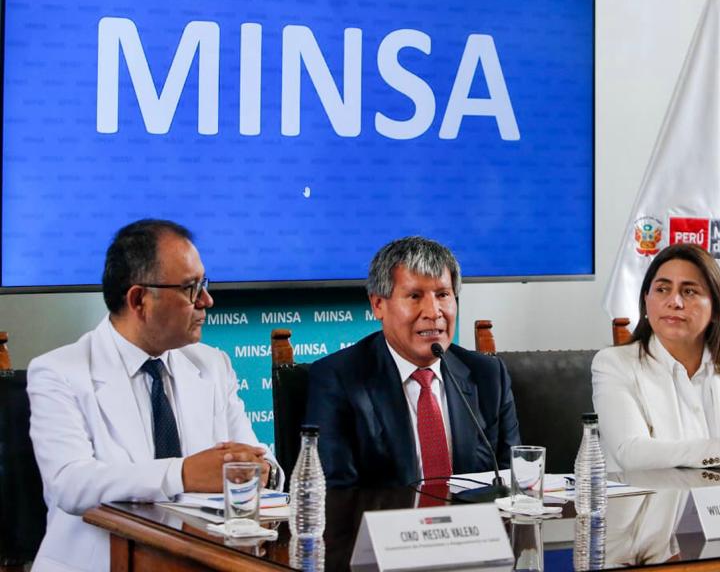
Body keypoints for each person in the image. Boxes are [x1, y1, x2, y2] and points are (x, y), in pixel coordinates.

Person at [27, 219, 280, 572]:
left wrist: (261, 470)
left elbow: (254, 456)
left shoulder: (213, 365)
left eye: (204, 284)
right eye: (191, 288)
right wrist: (182, 474)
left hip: (201, 561)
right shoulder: (59, 372)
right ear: (139, 299)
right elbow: (70, 484)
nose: (207, 300)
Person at [306, 236, 520, 488]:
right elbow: (337, 493)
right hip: (385, 514)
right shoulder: (337, 379)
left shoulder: (488, 375)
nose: (433, 312)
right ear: (378, 305)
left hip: (474, 515)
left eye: (443, 294)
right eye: (415, 296)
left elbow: (512, 479)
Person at [592, 244, 720, 472]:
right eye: (662, 289)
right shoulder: (614, 364)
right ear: (646, 300)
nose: (674, 302)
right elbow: (630, 452)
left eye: (689, 291)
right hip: (650, 495)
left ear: (716, 309)